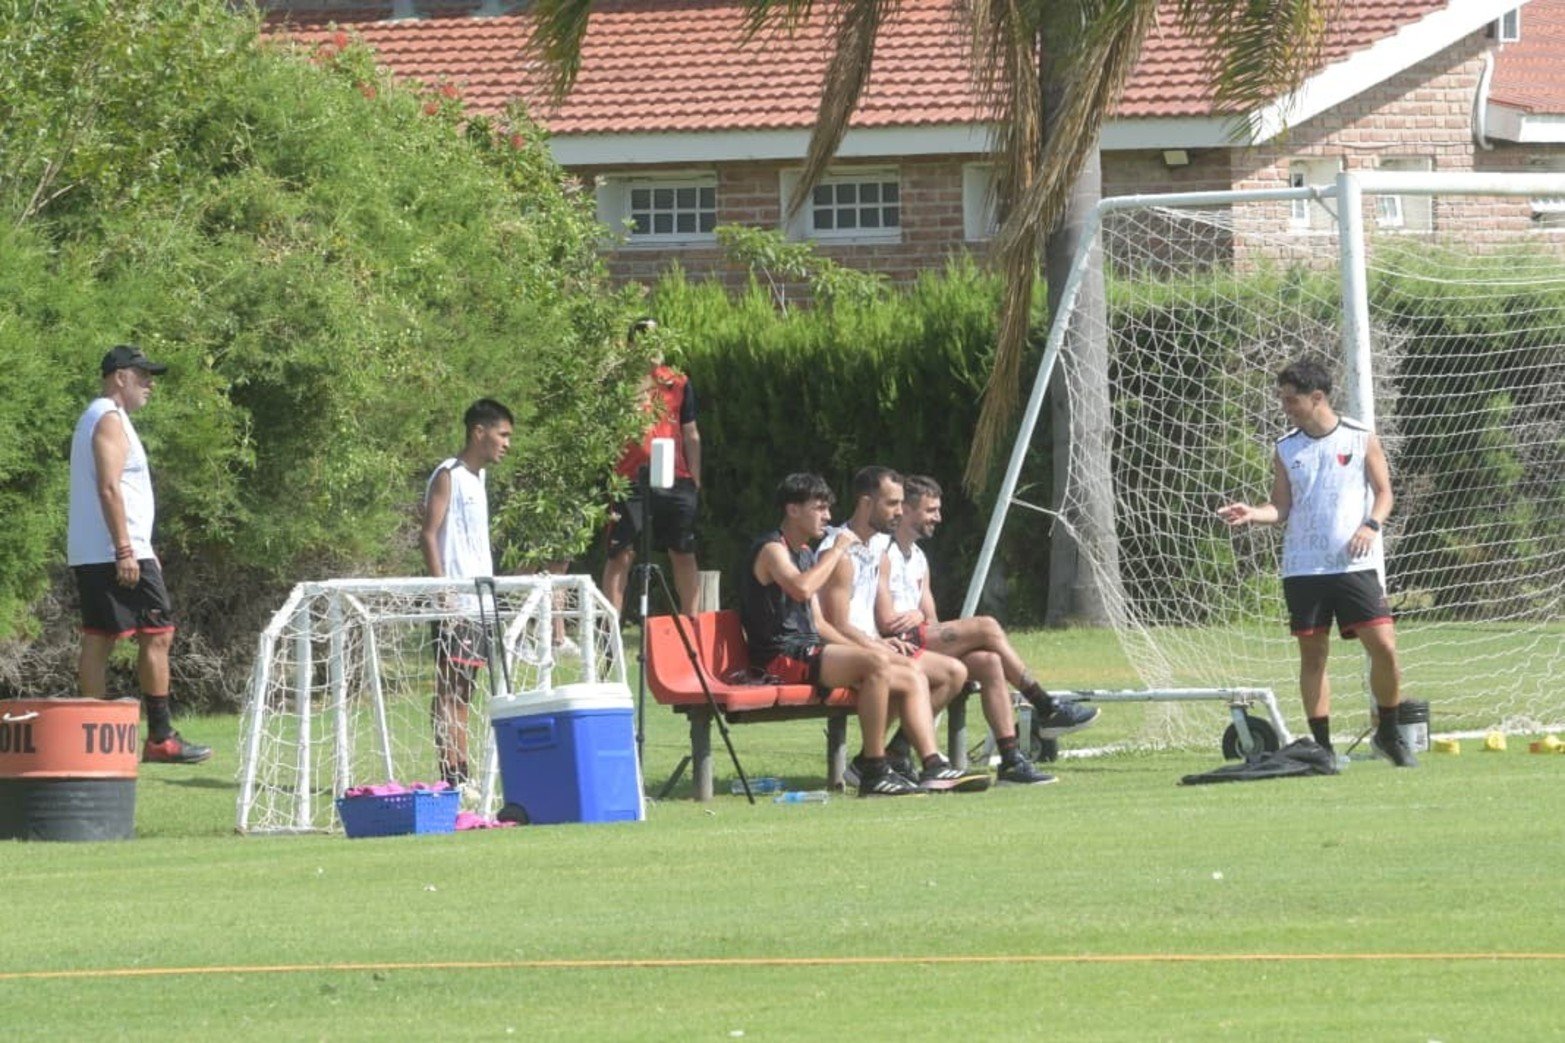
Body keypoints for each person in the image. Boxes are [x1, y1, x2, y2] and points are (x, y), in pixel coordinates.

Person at [1217, 358, 1416, 767]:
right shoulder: (1286, 448)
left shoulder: (1361, 437)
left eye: (1292, 400)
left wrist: (1371, 526)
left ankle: (1389, 733)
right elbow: (1281, 506)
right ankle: (1322, 747)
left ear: (1317, 397)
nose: (1285, 407)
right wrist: (1254, 513)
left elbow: (1384, 493)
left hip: (1353, 566)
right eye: (1283, 400)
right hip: (1304, 568)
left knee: (1385, 648)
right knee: (1313, 656)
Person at [739, 473, 988, 796]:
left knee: (912, 675)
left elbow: (814, 620)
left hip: (807, 649)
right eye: (819, 508)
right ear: (793, 510)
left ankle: (932, 766)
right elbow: (801, 590)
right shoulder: (773, 549)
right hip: (778, 658)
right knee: (877, 665)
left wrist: (875, 647)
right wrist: (837, 551)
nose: (828, 516)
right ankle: (873, 769)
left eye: (828, 509)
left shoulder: (801, 552)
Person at [820, 466, 1051, 786]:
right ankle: (927, 763)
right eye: (892, 504)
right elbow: (837, 622)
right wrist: (879, 642)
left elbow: (929, 618)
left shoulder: (879, 549)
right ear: (866, 503)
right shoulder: (840, 549)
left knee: (972, 666)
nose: (898, 512)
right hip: (854, 649)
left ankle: (901, 755)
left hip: (880, 644)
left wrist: (908, 624)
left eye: (901, 504)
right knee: (982, 629)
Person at [875, 474, 1097, 782]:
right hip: (891, 647)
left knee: (990, 662)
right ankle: (1046, 705)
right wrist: (914, 618)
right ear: (907, 510)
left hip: (921, 642)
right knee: (987, 626)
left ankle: (1011, 760)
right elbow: (885, 621)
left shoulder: (919, 559)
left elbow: (931, 620)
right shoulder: (882, 552)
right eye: (930, 510)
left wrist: (918, 618)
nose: (938, 518)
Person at [68, 344, 211, 764]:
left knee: (99, 637)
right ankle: (161, 737)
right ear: (120, 377)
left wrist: (142, 547)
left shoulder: (102, 417)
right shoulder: (109, 419)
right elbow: (110, 487)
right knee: (158, 633)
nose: (149, 384)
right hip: (115, 549)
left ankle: (88, 742)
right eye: (142, 375)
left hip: (103, 549)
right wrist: (128, 550)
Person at [421, 398, 514, 787]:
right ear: (479, 432)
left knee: (467, 689)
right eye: (503, 435)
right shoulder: (449, 474)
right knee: (450, 689)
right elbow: (428, 534)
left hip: (480, 604)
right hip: (456, 602)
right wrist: (444, 593)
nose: (507, 444)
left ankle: (462, 771)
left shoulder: (480, 478)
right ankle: (453, 774)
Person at [601, 318, 703, 616]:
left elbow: (691, 431)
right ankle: (611, 630)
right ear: (632, 345)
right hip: (629, 478)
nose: (652, 345)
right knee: (621, 553)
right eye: (644, 338)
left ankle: (691, 622)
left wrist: (695, 476)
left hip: (675, 477)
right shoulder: (619, 382)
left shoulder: (678, 382)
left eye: (656, 338)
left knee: (683, 550)